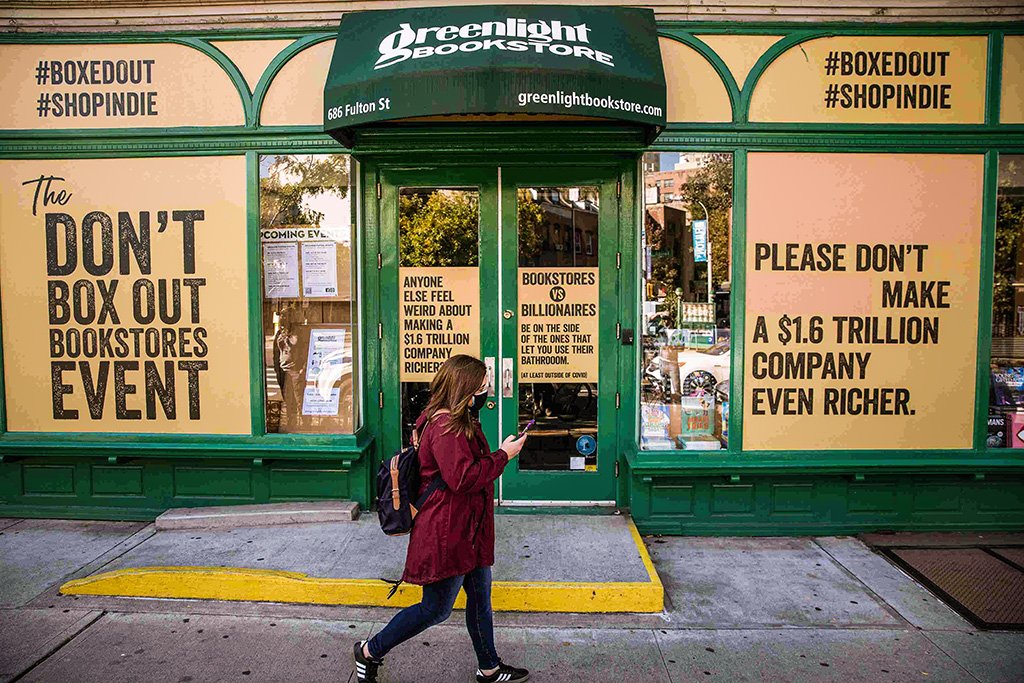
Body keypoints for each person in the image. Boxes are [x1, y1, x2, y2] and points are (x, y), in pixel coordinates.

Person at [354, 354, 530, 683]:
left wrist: (499, 454)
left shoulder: (456, 419)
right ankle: (369, 650)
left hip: (468, 530)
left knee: (480, 601)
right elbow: (462, 478)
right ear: (465, 389)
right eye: (483, 386)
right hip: (448, 533)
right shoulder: (445, 427)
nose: (487, 392)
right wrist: (505, 455)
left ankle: (489, 667)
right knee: (435, 608)